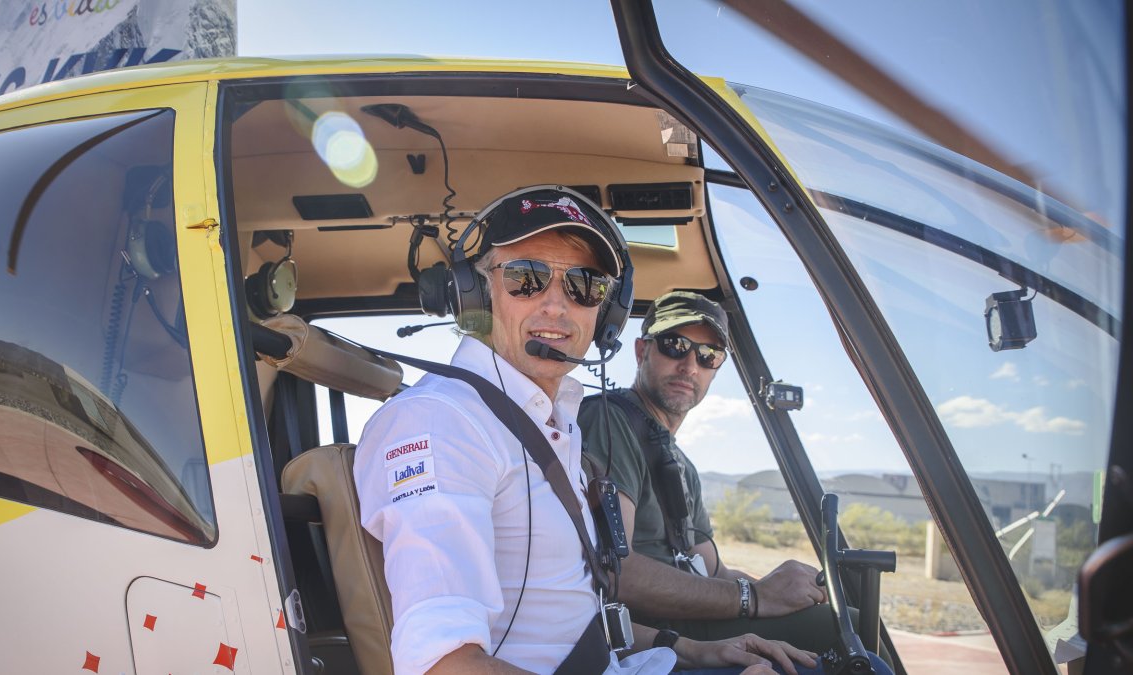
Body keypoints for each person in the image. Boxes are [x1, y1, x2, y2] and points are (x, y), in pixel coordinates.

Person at [352, 187, 827, 674]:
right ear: (475, 291)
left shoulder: (554, 422)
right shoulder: (443, 424)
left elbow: (573, 613)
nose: (557, 306)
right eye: (526, 277)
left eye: (584, 285)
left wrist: (689, 648)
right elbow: (445, 666)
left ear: (607, 313)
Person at [578, 292, 844, 653]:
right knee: (847, 629)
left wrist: (783, 592)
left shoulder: (682, 465)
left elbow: (713, 570)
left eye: (708, 355)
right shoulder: (608, 421)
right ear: (641, 351)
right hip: (646, 630)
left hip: (689, 616)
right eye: (675, 345)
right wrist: (753, 597)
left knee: (843, 620)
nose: (690, 366)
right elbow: (615, 571)